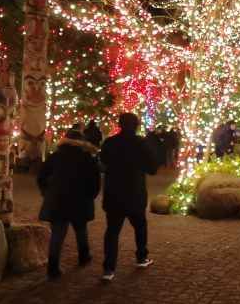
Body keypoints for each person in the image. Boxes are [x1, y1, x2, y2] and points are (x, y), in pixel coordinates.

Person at [99, 112, 157, 281]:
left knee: (112, 231)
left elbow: (103, 161)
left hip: (114, 193)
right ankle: (141, 256)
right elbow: (152, 168)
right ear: (136, 126)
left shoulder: (110, 143)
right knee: (140, 226)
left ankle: (109, 268)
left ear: (120, 124)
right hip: (135, 193)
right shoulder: (141, 144)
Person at [37, 129, 101, 280]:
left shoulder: (56, 156)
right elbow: (95, 181)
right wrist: (90, 195)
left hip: (57, 199)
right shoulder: (87, 157)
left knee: (58, 234)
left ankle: (52, 269)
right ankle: (83, 257)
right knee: (80, 229)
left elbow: (41, 175)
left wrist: (46, 192)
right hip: (80, 199)